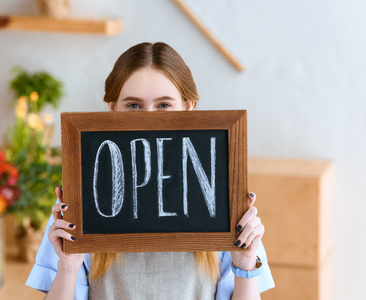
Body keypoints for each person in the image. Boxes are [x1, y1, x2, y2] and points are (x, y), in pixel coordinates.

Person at [26, 42, 274, 299]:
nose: (149, 119)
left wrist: (245, 264)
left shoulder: (218, 191)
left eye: (164, 105)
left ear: (188, 108)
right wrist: (67, 265)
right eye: (133, 106)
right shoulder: (82, 196)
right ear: (112, 109)